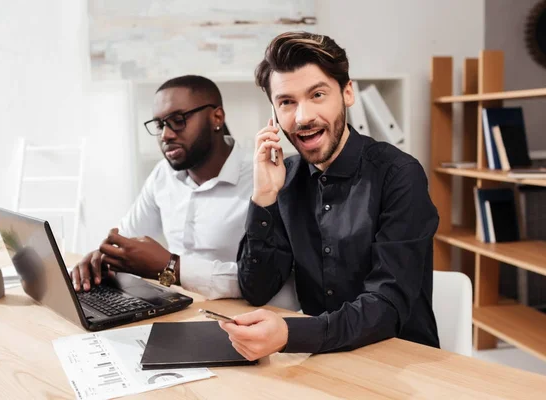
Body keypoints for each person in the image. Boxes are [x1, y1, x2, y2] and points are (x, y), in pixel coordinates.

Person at [219, 31, 440, 360]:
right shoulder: (286, 178)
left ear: (347, 93)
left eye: (317, 95)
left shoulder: (399, 174)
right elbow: (256, 289)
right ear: (275, 115)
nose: (303, 117)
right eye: (287, 102)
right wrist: (264, 195)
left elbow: (387, 305)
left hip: (400, 361)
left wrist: (291, 334)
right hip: (319, 360)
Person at [70, 75, 297, 306]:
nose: (166, 135)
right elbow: (124, 240)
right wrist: (100, 258)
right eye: (159, 125)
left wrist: (171, 267)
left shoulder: (266, 177)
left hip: (250, 319)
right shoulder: (163, 175)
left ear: (216, 117)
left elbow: (264, 279)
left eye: (178, 120)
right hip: (181, 309)